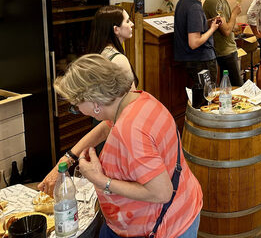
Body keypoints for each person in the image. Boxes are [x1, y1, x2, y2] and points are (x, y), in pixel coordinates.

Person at [38, 54, 202, 237]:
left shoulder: (129, 131)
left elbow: (162, 193)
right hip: (184, 204)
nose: (79, 111)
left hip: (167, 225)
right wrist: (69, 158)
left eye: (76, 106)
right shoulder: (137, 100)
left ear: (95, 103)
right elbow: (105, 128)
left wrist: (100, 180)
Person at [174, 0, 221, 108]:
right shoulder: (194, 7)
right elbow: (194, 42)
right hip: (202, 61)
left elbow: (194, 28)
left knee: (200, 98)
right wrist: (212, 29)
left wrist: (208, 23)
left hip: (192, 60)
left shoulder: (184, 1)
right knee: (205, 101)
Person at [202, 0, 243, 86]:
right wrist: (235, 13)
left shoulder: (223, 1)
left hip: (230, 49)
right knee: (237, 87)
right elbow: (226, 31)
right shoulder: (213, 2)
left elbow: (231, 26)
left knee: (230, 88)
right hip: (224, 52)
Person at [87, 5, 137, 90]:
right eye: (128, 21)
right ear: (116, 29)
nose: (132, 24)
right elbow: (131, 96)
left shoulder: (98, 53)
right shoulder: (119, 59)